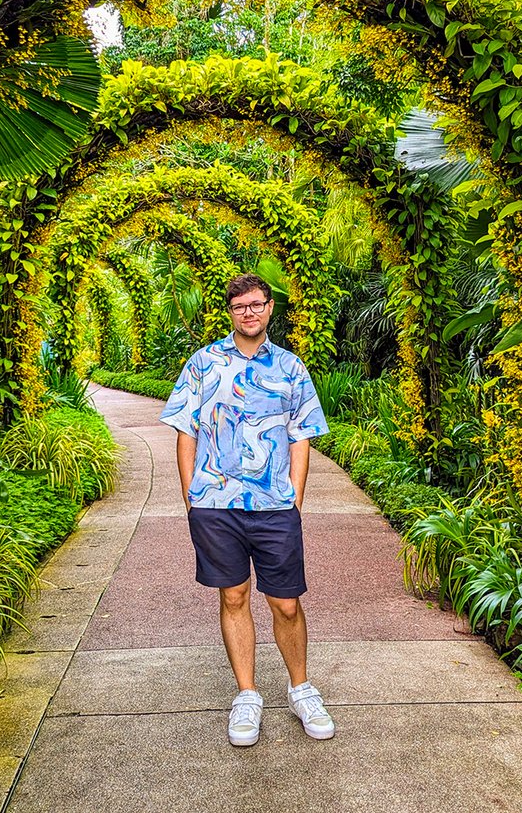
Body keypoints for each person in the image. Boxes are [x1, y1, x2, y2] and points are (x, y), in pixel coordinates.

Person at [160, 272, 334, 747]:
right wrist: (190, 496)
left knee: (286, 601)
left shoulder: (291, 369)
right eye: (240, 307)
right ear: (230, 312)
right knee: (233, 597)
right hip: (215, 505)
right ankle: (247, 695)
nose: (250, 313)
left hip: (275, 505)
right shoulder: (203, 363)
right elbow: (185, 429)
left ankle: (301, 689)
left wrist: (295, 499)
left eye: (257, 305)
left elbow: (302, 434)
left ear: (270, 307)